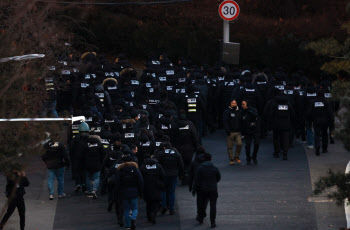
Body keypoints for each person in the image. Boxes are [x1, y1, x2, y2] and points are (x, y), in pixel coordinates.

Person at [155, 142, 184, 215]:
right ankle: (171, 209)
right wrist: (181, 174)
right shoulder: (176, 153)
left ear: (164, 147)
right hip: (173, 175)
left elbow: (157, 164)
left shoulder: (161, 153)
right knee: (171, 192)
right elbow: (181, 164)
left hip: (163, 174)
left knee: (163, 191)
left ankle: (164, 206)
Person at [116, 156, 144, 230]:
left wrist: (118, 192)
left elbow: (117, 182)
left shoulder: (120, 170)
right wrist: (141, 191)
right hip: (134, 191)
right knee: (135, 208)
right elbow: (140, 180)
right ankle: (133, 218)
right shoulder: (135, 169)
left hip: (124, 192)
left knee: (126, 209)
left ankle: (127, 226)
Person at [193, 153, 221, 228]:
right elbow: (218, 177)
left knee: (201, 204)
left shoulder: (200, 168)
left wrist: (194, 189)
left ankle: (201, 218)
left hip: (202, 189)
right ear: (211, 159)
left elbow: (197, 180)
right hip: (213, 189)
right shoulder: (214, 168)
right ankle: (213, 222)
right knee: (213, 206)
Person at [0, 164, 30, 230]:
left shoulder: (20, 175)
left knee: (22, 214)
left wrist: (24, 176)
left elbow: (27, 184)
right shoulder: (10, 175)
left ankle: (22, 228)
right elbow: (14, 183)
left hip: (20, 198)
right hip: (12, 198)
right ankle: (1, 225)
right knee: (9, 212)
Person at [140, 155, 165, 224]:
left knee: (148, 203)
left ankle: (149, 216)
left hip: (146, 187)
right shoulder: (158, 166)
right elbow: (163, 176)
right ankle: (154, 212)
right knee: (156, 201)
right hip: (156, 186)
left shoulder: (142, 167)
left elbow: (140, 178)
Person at [308, 89, 334, 156]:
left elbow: (310, 112)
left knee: (317, 134)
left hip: (316, 120)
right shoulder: (326, 102)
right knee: (325, 134)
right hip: (325, 121)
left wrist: (310, 121)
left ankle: (317, 148)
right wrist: (331, 120)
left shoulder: (313, 102)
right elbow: (330, 112)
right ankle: (324, 148)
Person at [84, 134, 105, 199]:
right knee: (96, 177)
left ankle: (89, 190)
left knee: (88, 177)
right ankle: (94, 190)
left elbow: (82, 154)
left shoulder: (86, 145)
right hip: (97, 163)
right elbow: (103, 153)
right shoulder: (99, 145)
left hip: (87, 164)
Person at [223, 100, 242, 165]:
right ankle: (231, 159)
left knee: (239, 144)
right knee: (230, 147)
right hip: (230, 132)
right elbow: (225, 122)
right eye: (232, 103)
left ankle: (236, 156)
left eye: (235, 103)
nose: (234, 104)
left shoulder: (239, 111)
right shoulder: (227, 112)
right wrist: (227, 130)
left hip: (238, 131)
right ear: (230, 104)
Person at [241, 100, 260, 165]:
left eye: (243, 104)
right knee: (248, 145)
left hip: (255, 129)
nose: (242, 105)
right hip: (247, 131)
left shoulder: (253, 110)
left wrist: (250, 111)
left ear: (247, 104)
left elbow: (256, 115)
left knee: (257, 143)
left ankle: (254, 156)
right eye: (242, 104)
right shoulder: (242, 111)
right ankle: (248, 158)